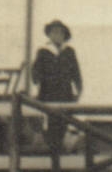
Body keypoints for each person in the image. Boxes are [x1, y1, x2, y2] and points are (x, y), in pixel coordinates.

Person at [30, 19, 83, 158]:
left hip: (66, 94)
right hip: (47, 94)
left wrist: (78, 89)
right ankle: (52, 154)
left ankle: (61, 153)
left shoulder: (69, 51)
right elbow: (35, 72)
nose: (56, 35)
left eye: (60, 32)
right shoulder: (43, 52)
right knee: (50, 123)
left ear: (64, 35)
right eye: (53, 32)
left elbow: (76, 72)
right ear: (49, 35)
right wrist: (36, 78)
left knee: (64, 122)